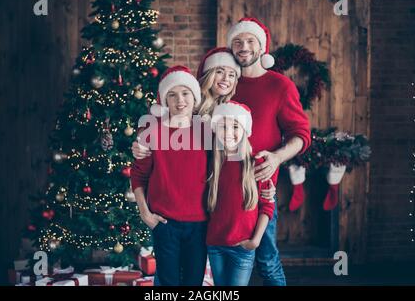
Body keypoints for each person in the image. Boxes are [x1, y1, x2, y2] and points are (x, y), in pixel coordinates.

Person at [226, 17, 311, 286]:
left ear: (261, 47)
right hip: (220, 189)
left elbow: (301, 135)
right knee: (223, 260)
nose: (244, 47)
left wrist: (277, 157)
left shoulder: (279, 86)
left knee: (265, 260)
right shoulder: (224, 83)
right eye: (238, 42)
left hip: (260, 189)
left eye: (250, 41)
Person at [130, 65, 208, 286]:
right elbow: (138, 175)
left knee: (194, 282)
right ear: (164, 101)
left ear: (194, 97)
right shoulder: (151, 131)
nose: (179, 100)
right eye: (172, 95)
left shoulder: (207, 129)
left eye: (185, 93)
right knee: (168, 282)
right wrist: (145, 213)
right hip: (165, 222)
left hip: (200, 222)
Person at [206, 101, 276, 286]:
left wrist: (255, 241)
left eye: (235, 126)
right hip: (215, 244)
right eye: (223, 126)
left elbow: (267, 206)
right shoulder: (212, 164)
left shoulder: (257, 163)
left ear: (245, 130)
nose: (229, 132)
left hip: (243, 247)